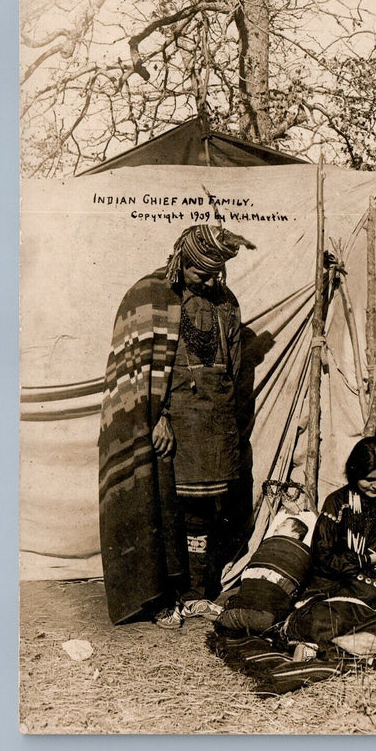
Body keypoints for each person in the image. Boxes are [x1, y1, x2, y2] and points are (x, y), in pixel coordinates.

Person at [98, 223, 255, 627]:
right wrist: (158, 417)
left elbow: (235, 366)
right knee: (169, 507)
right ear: (182, 260)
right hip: (173, 421)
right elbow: (142, 369)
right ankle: (165, 596)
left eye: (214, 274)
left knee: (206, 508)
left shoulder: (226, 303)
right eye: (200, 273)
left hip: (214, 424)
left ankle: (197, 593)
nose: (207, 280)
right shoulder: (152, 295)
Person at [284, 436, 376, 649]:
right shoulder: (337, 504)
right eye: (370, 479)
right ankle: (367, 643)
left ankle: (347, 644)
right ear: (354, 473)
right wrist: (369, 559)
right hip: (343, 590)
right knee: (320, 619)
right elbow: (323, 558)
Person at [215, 516, 311, 634]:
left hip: (254, 615)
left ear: (296, 536)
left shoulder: (298, 554)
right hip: (266, 619)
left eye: (284, 525)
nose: (277, 526)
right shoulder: (267, 547)